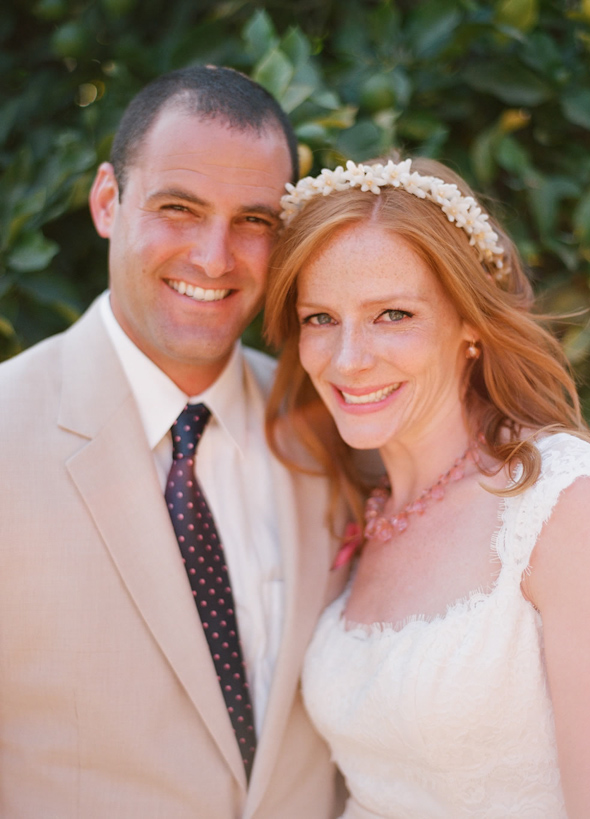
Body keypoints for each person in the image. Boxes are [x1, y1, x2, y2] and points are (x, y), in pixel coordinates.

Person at [0, 66, 347, 818]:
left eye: (254, 220)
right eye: (179, 208)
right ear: (106, 202)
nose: (215, 257)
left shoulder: (333, 428)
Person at [264, 155, 590, 818]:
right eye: (320, 318)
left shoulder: (566, 507)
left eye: (392, 314)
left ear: (470, 324)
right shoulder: (359, 507)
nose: (349, 358)